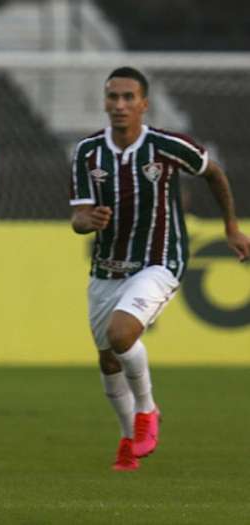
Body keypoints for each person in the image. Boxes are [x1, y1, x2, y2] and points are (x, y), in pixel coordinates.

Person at [68, 67, 250, 471]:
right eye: (113, 96)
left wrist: (232, 228)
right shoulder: (87, 152)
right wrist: (88, 221)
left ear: (144, 104)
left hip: (160, 259)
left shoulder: (167, 146)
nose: (119, 104)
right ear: (105, 101)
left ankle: (147, 411)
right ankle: (127, 440)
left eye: (128, 97)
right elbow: (77, 217)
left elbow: (214, 173)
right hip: (106, 267)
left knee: (121, 334)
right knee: (108, 360)